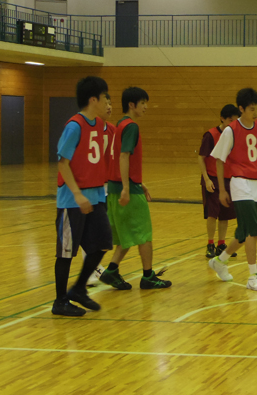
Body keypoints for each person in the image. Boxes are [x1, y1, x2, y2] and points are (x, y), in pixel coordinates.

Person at [100, 87, 172, 290]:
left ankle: (111, 271)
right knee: (144, 234)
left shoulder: (119, 125)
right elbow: (124, 156)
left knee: (128, 233)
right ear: (132, 105)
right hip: (126, 188)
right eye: (143, 103)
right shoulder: (131, 126)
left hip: (116, 186)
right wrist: (127, 187)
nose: (146, 107)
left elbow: (120, 159)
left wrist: (137, 182)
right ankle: (148, 276)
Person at [52, 76, 113, 316]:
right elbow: (62, 163)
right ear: (93, 99)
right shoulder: (74, 126)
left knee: (103, 242)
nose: (108, 102)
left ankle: (78, 288)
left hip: (95, 196)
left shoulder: (98, 124)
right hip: (72, 199)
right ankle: (60, 301)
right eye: (105, 97)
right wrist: (77, 194)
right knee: (66, 252)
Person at [208, 88, 257, 291]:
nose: (255, 113)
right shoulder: (231, 130)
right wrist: (222, 190)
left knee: (243, 232)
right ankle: (252, 276)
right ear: (241, 109)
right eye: (251, 109)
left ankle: (220, 261)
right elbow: (219, 160)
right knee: (253, 230)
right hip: (239, 183)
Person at [199, 104, 241, 259]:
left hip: (228, 179)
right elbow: (201, 158)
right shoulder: (211, 135)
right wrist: (206, 179)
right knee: (212, 214)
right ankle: (210, 243)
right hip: (213, 179)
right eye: (230, 120)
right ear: (222, 118)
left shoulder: (235, 135)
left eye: (235, 121)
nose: (233, 124)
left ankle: (221, 244)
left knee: (225, 214)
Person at [86, 93, 114, 288]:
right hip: (91, 186)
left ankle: (94, 266)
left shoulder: (112, 130)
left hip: (107, 185)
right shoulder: (87, 129)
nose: (109, 106)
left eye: (111, 103)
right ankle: (89, 271)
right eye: (106, 103)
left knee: (103, 230)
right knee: (90, 229)